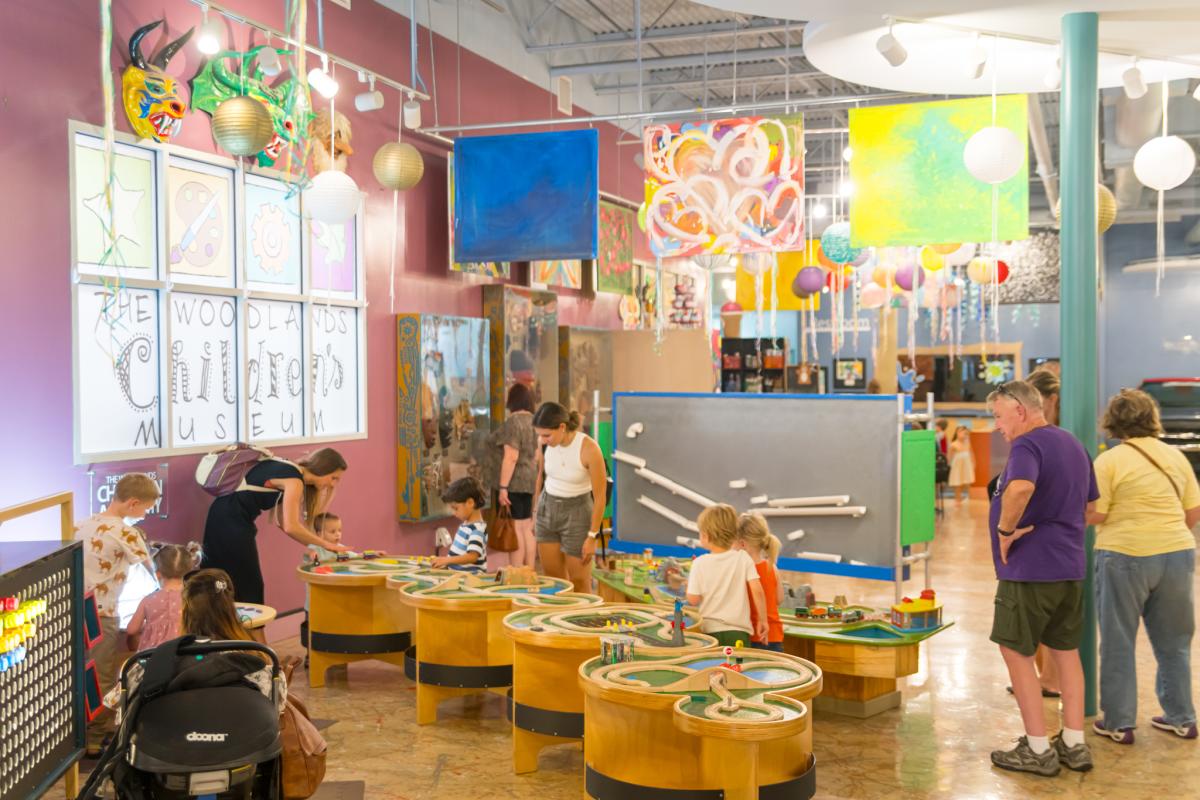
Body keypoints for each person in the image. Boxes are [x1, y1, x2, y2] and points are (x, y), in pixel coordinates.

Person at [986, 380, 1098, 776]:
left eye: (999, 416)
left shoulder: (1028, 445)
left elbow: (1019, 488)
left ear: (1019, 408)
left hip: (1030, 570)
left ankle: (1036, 748)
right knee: (1066, 652)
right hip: (1069, 567)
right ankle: (1074, 743)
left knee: (1016, 652)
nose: (998, 425)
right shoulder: (1073, 443)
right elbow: (1092, 507)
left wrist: (1005, 532)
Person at [1087, 388, 1200, 743]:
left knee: (1119, 639)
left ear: (1113, 421)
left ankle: (1119, 723)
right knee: (1175, 641)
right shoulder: (1175, 457)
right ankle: (1182, 717)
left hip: (1125, 555)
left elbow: (1098, 513)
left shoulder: (1108, 462)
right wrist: (1163, 534)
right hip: (1177, 553)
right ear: (1152, 418)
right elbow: (1192, 512)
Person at [74, 472, 159, 755]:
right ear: (133, 503)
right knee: (102, 676)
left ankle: (77, 731)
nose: (144, 516)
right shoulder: (125, 531)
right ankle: (95, 737)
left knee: (78, 670)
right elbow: (152, 567)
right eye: (145, 509)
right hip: (102, 613)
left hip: (74, 608)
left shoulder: (83, 524)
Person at [202, 448, 350, 604]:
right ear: (323, 468)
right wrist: (326, 545)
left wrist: (316, 545)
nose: (333, 484)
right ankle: (254, 628)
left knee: (220, 581)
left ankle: (224, 624)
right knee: (249, 587)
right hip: (231, 522)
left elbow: (283, 523)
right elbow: (291, 526)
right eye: (334, 478)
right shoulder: (294, 480)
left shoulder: (288, 469)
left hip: (222, 516)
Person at [533, 402, 609, 593]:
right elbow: (540, 476)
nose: (542, 440)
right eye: (539, 435)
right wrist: (535, 512)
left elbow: (600, 497)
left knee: (579, 580)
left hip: (578, 511)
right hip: (547, 507)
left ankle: (584, 620)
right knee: (553, 580)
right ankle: (557, 620)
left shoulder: (589, 448)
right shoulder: (544, 445)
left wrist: (592, 536)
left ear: (562, 427)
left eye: (546, 435)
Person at [686, 504, 769, 648]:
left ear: (706, 536)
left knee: (712, 670)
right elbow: (757, 591)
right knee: (737, 669)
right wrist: (763, 620)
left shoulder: (699, 563)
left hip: (709, 632)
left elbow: (693, 600)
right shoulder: (743, 557)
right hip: (739, 633)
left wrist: (688, 587)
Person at [486, 383, 539, 570]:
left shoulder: (513, 423)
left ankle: (517, 573)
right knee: (526, 527)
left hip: (514, 482)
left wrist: (503, 487)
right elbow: (537, 455)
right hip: (530, 479)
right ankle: (529, 570)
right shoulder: (534, 421)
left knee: (516, 528)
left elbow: (511, 456)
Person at [126, 542, 201, 651]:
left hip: (153, 657)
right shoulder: (193, 598)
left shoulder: (148, 600)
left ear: (158, 573)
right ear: (188, 570)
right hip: (184, 654)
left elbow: (131, 630)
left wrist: (149, 625)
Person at [736, 512, 784, 651]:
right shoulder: (771, 566)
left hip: (755, 635)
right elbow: (779, 599)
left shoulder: (742, 570)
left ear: (742, 543)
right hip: (774, 634)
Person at [432, 478, 488, 573]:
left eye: (456, 508)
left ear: (470, 503)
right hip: (459, 576)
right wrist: (446, 563)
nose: (454, 513)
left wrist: (447, 560)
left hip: (471, 579)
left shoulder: (477, 530)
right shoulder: (466, 525)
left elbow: (472, 557)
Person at [947, 426, 976, 502]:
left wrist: (974, 463)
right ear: (957, 433)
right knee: (957, 482)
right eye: (961, 432)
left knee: (966, 481)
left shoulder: (967, 443)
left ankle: (967, 497)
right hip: (957, 466)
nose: (963, 434)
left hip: (966, 465)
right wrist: (949, 465)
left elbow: (971, 453)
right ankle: (957, 499)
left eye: (965, 433)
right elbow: (949, 457)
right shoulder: (953, 444)